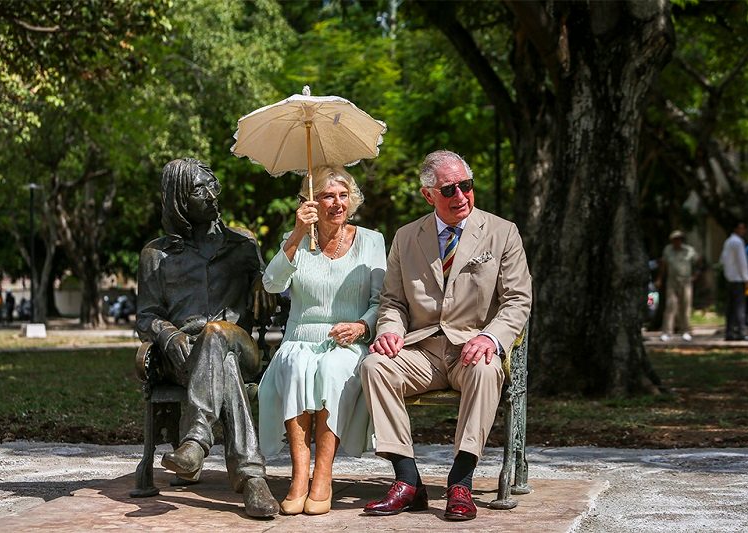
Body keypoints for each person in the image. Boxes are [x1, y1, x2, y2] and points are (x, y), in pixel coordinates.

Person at [360, 150, 532, 521]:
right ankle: (407, 481)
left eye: (466, 186)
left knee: (487, 370)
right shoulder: (406, 237)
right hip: (421, 350)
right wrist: (389, 331)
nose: (461, 197)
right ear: (428, 195)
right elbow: (392, 301)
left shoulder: (503, 232)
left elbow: (518, 300)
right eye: (449, 189)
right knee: (374, 365)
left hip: (472, 349)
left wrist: (491, 338)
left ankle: (460, 481)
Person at [135, 157, 279, 517]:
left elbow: (272, 291)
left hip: (241, 344)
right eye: (201, 190)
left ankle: (197, 439)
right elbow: (146, 316)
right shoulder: (156, 254)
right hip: (184, 355)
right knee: (222, 363)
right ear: (180, 199)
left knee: (219, 337)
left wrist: (266, 281)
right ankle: (252, 480)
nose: (213, 194)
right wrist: (167, 336)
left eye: (213, 184)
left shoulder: (242, 245)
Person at [258, 166, 386, 516]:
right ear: (311, 201)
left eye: (343, 195)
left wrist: (362, 326)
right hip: (301, 338)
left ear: (352, 200)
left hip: (349, 340)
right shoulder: (297, 239)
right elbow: (271, 284)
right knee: (297, 367)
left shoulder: (372, 241)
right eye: (328, 195)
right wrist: (298, 233)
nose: (337, 203)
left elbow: (382, 302)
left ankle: (323, 477)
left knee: (332, 369)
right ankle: (300, 477)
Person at [657, 230, 698, 342]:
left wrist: (695, 275)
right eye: (675, 239)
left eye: (679, 239)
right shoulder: (668, 250)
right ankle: (667, 332)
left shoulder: (689, 250)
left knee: (685, 307)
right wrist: (659, 279)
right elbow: (663, 265)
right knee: (670, 306)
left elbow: (698, 262)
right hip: (672, 281)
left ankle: (685, 331)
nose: (677, 241)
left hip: (686, 281)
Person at [720, 222, 748, 341]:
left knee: (730, 308)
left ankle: (729, 332)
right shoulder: (738, 242)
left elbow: (722, 260)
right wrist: (747, 279)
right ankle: (740, 332)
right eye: (742, 228)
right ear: (737, 229)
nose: (743, 231)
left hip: (729, 279)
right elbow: (742, 262)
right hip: (738, 279)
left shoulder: (728, 241)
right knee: (740, 308)